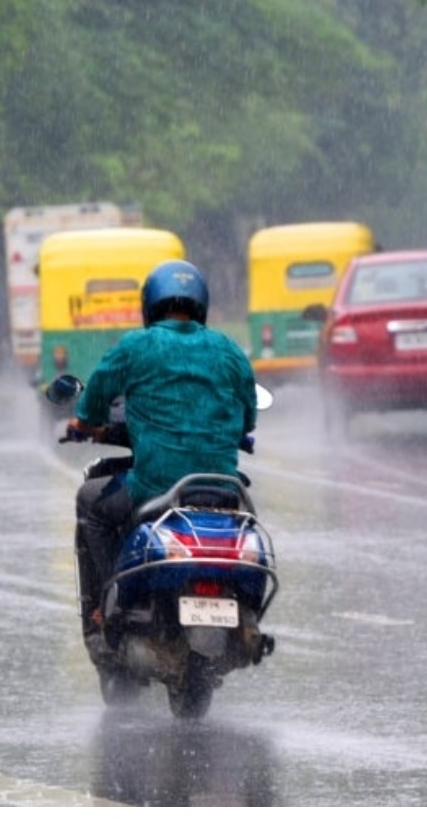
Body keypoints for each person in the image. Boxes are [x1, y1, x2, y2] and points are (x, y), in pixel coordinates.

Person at [65, 259, 258, 663]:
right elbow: (249, 415)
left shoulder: (137, 346)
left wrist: (85, 422)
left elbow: (96, 394)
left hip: (153, 487)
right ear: (201, 304)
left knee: (91, 503)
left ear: (150, 305)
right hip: (221, 488)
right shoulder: (228, 350)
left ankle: (107, 599)